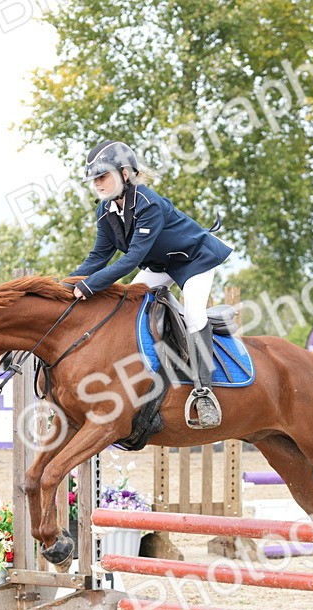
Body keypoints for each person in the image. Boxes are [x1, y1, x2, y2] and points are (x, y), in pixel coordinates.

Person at [68, 139, 232, 429]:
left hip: (194, 261)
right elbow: (98, 257)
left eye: (103, 176)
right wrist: (66, 285)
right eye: (94, 179)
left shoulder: (149, 203)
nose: (97, 184)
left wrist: (90, 286)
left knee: (194, 314)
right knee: (127, 306)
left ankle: (204, 393)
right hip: (159, 265)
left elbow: (131, 260)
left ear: (125, 174)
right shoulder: (105, 212)